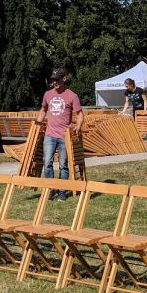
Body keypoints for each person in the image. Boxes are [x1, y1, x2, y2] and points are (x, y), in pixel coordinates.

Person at [35, 67, 84, 200]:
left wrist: (78, 126)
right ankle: (50, 190)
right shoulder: (48, 94)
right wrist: (38, 124)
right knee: (47, 162)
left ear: (64, 79)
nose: (54, 82)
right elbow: (43, 109)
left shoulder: (72, 95)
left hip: (64, 136)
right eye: (53, 80)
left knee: (63, 164)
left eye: (57, 79)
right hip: (50, 135)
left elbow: (79, 113)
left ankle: (62, 192)